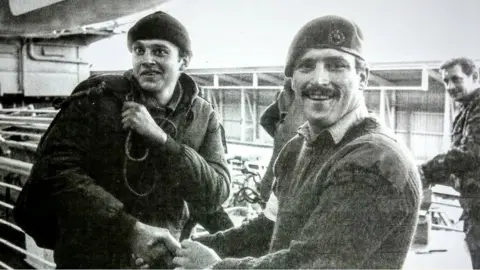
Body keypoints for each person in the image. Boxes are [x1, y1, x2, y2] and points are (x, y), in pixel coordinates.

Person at [171, 15, 423, 269]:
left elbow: (312, 263)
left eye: (336, 65)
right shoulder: (297, 149)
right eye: (306, 66)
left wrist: (214, 267)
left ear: (363, 77)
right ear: (293, 79)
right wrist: (182, 250)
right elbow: (267, 230)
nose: (319, 80)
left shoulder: (375, 160)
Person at [13, 11, 231, 269]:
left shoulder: (203, 114)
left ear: (183, 61)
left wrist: (162, 141)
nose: (147, 60)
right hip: (91, 259)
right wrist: (129, 229)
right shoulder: (97, 98)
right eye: (139, 51)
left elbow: (215, 192)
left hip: (160, 260)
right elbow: (54, 171)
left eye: (159, 52)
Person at [421, 57, 480, 269]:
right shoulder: (468, 108)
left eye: (456, 79)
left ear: (474, 77)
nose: (450, 86)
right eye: (446, 81)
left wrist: (425, 171)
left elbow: (469, 153)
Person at [258, 78, 306, 201]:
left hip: (282, 148)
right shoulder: (315, 100)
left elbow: (265, 119)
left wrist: (280, 135)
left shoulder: (283, 96)